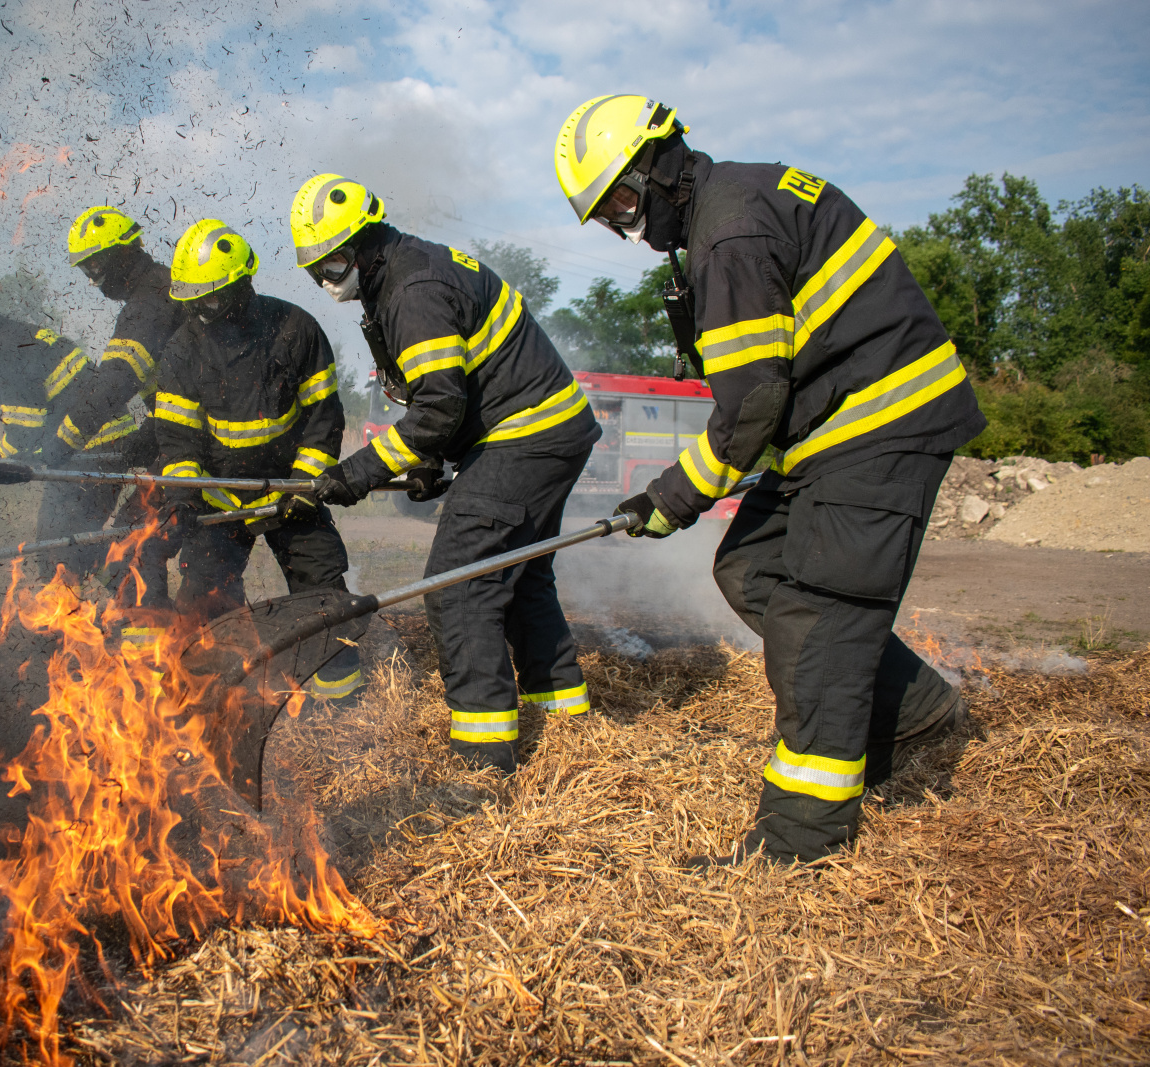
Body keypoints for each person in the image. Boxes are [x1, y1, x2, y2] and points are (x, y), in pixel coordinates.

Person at [553, 94, 985, 865]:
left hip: (878, 427)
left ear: (659, 163)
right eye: (608, 216)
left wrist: (671, 499)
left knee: (822, 616)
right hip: (829, 434)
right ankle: (912, 707)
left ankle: (798, 842)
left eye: (621, 201)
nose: (626, 226)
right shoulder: (728, 207)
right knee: (751, 563)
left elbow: (752, 404)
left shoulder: (730, 232)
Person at [292, 175, 601, 774]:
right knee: (516, 575)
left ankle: (484, 760)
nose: (327, 282)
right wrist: (428, 464)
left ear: (364, 242)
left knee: (458, 584)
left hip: (525, 436)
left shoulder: (412, 289)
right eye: (315, 273)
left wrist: (360, 471)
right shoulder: (404, 276)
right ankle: (565, 716)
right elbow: (443, 401)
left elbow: (440, 407)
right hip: (546, 429)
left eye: (331, 265)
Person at [152, 218, 362, 702]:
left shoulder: (295, 330)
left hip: (291, 491)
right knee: (205, 602)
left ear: (241, 286)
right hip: (221, 498)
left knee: (322, 593)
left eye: (207, 300)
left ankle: (341, 701)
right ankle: (219, 698)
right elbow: (178, 441)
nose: (199, 314)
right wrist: (184, 500)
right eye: (190, 302)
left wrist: (304, 488)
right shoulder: (183, 350)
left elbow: (322, 421)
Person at [0, 283, 114, 582]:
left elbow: (24, 432)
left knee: (56, 547)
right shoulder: (22, 335)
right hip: (94, 446)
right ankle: (129, 587)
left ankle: (133, 592)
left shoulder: (7, 353)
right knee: (68, 545)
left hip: (89, 451)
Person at [57, 206, 187, 611]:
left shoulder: (149, 303)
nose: (93, 278)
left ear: (124, 252)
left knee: (134, 543)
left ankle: (143, 644)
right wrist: (127, 448)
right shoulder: (164, 286)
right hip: (185, 430)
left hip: (196, 443)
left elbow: (114, 382)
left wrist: (63, 442)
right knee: (209, 566)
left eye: (96, 263)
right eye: (85, 269)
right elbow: (173, 403)